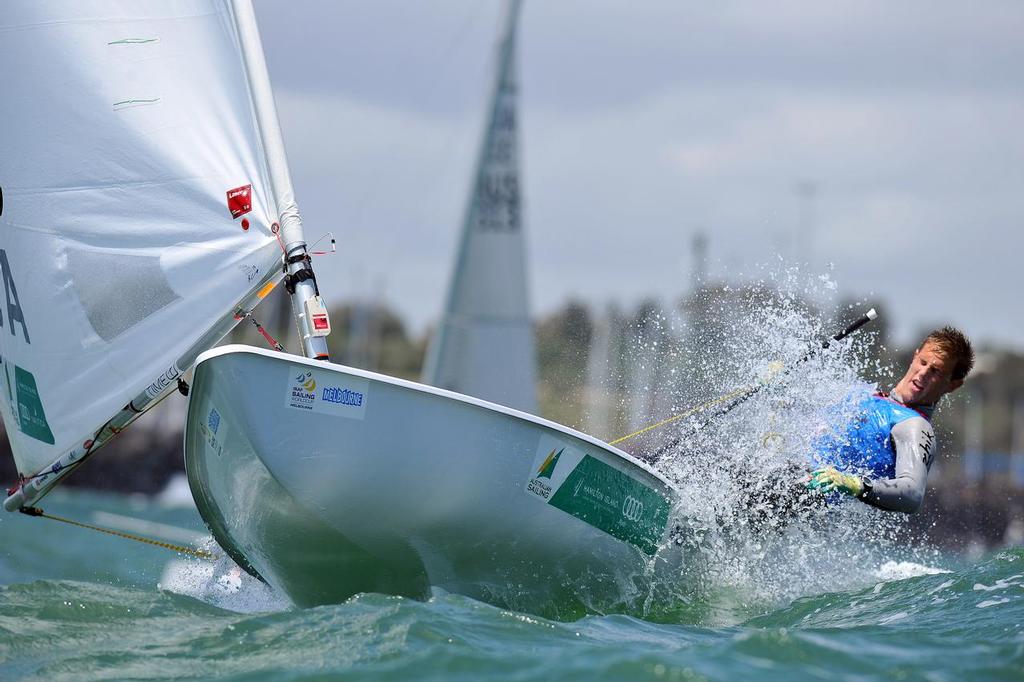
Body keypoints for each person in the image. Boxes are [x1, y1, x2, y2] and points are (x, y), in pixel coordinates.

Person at [806, 326, 974, 513]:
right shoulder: (866, 394)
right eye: (923, 362)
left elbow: (912, 493)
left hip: (810, 499)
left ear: (952, 385)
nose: (923, 373)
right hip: (787, 473)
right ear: (915, 356)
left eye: (936, 371)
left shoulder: (915, 426)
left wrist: (855, 485)